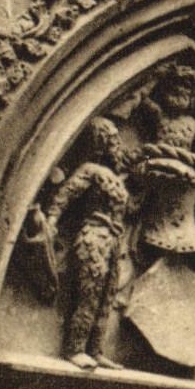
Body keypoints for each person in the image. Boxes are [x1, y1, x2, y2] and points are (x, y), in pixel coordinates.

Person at [38, 118, 130, 368]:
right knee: (90, 292)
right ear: (100, 143)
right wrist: (52, 220)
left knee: (107, 296)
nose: (118, 144)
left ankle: (96, 349)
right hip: (94, 236)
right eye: (112, 140)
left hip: (113, 241)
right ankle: (75, 348)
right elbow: (65, 194)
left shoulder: (117, 177)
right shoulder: (90, 169)